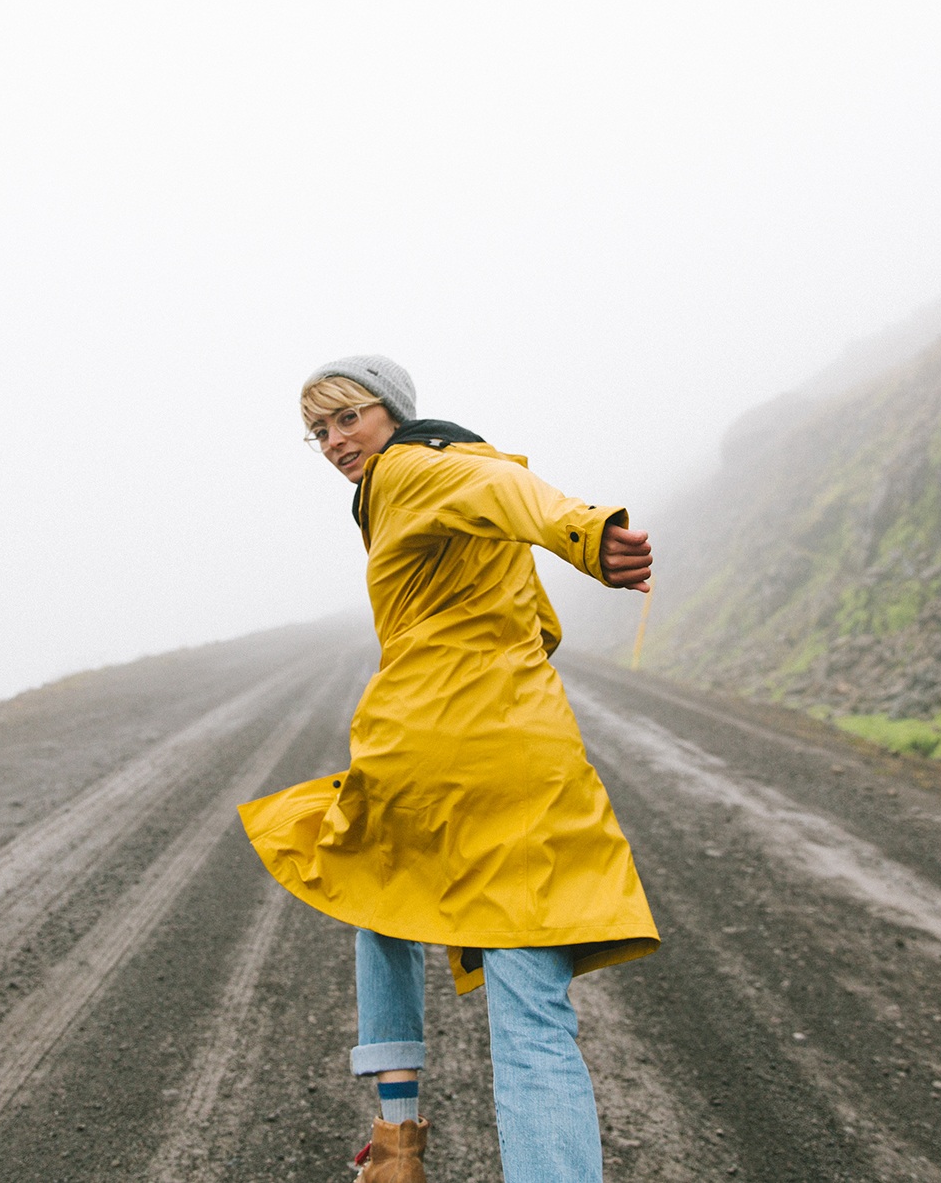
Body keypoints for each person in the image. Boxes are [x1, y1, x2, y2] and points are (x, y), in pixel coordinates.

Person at [240, 354, 660, 1183]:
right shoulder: (448, 470)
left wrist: (586, 531)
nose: (333, 441)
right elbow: (535, 620)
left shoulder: (410, 472)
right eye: (318, 431)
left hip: (423, 748)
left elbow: (501, 493)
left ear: (390, 411)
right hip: (527, 759)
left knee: (375, 888)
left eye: (346, 417)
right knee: (533, 1014)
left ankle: (396, 1140)